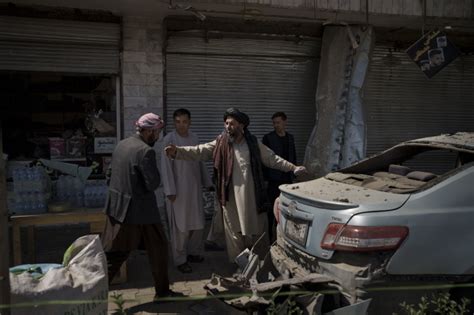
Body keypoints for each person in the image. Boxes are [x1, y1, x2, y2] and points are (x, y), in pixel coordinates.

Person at [165, 108, 306, 262]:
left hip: (252, 195)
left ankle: (260, 261)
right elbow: (200, 151)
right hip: (230, 197)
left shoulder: (253, 143)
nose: (228, 126)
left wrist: (292, 167)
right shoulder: (221, 142)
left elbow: (272, 159)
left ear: (242, 125)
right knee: (233, 232)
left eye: (231, 123)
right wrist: (178, 152)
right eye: (226, 123)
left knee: (257, 229)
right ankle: (240, 263)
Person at [101, 113, 173, 301]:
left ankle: (163, 291)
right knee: (116, 257)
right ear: (149, 131)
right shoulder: (145, 151)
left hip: (118, 207)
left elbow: (109, 174)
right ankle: (90, 297)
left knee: (157, 248)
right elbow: (152, 183)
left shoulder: (121, 144)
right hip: (137, 212)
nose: (157, 136)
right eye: (157, 132)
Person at [161, 108, 212, 273]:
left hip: (194, 187)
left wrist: (207, 182)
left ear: (189, 122)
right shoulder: (169, 139)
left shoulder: (194, 137)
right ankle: (179, 259)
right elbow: (166, 167)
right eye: (177, 122)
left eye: (184, 121)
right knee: (180, 227)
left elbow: (200, 161)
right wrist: (170, 191)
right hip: (177, 191)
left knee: (197, 224)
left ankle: (193, 253)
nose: (181, 125)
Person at [262, 112, 297, 242]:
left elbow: (293, 157)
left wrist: (294, 173)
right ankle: (271, 238)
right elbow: (264, 161)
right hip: (273, 180)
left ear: (284, 122)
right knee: (271, 209)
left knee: (286, 207)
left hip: (287, 180)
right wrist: (265, 179)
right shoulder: (268, 138)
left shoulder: (290, 138)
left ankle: (283, 235)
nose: (276, 125)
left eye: (278, 122)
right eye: (274, 123)